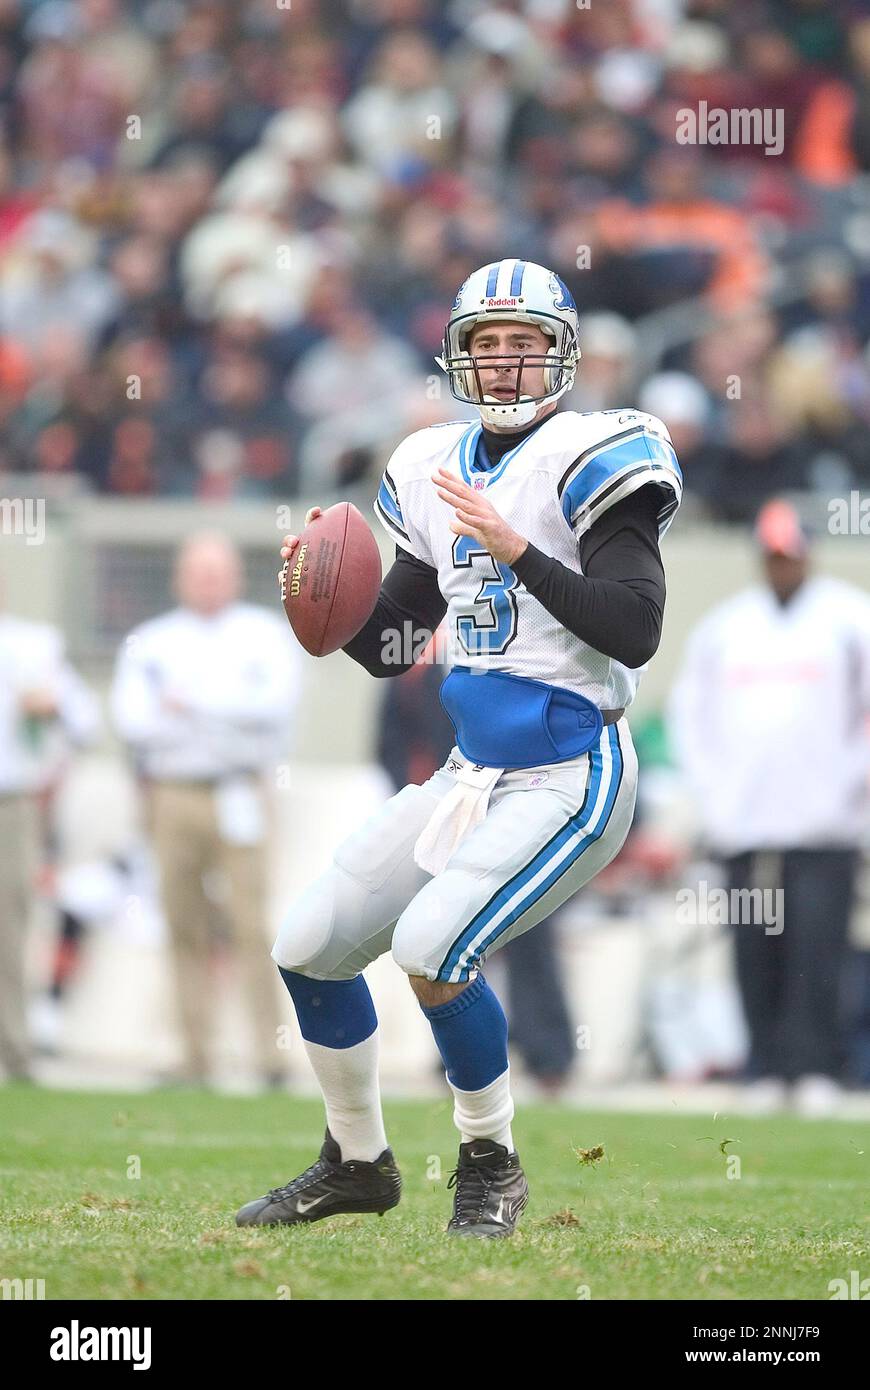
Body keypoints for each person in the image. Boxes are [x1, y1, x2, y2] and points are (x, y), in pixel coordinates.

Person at [236, 258, 682, 1236]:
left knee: (435, 945)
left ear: (560, 355)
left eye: (527, 345)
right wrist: (321, 596)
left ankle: (492, 1159)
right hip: (473, 772)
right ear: (459, 356)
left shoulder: (594, 452)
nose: (509, 364)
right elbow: (390, 644)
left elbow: (637, 628)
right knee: (308, 947)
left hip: (573, 767)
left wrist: (522, 553)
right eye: (491, 345)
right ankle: (357, 1160)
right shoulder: (428, 466)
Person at [669, 499, 870, 1115]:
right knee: (754, 943)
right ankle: (764, 1062)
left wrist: (850, 780)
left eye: (791, 556)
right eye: (773, 557)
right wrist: (713, 787)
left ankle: (815, 1066)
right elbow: (690, 715)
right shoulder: (728, 628)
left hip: (826, 820)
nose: (782, 567)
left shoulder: (848, 619)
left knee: (818, 945)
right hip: (745, 820)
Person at [111, 532, 301, 1087]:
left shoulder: (264, 635)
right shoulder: (151, 641)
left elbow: (271, 710)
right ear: (180, 578)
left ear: (236, 576)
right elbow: (134, 721)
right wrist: (223, 712)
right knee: (182, 922)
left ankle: (269, 1056)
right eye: (198, 572)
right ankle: (194, 1054)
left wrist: (189, 702)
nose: (208, 582)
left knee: (251, 924)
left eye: (217, 572)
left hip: (242, 788)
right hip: (173, 793)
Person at [0, 602, 99, 1080]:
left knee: (9, 931)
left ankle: (16, 1053)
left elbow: (86, 721)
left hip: (11, 804)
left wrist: (53, 705)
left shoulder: (29, 644)